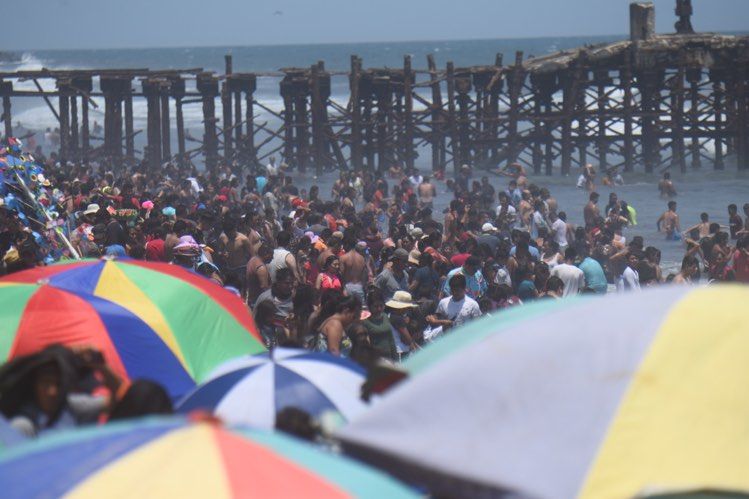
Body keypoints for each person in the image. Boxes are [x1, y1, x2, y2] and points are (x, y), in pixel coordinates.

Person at [361, 289, 397, 361]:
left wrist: (395, 358)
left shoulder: (385, 316)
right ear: (369, 306)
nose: (379, 309)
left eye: (381, 305)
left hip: (389, 358)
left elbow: (391, 339)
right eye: (376, 306)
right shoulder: (365, 322)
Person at [385, 291, 420, 360]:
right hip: (401, 351)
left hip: (395, 350)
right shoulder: (398, 319)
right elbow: (407, 340)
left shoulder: (390, 315)